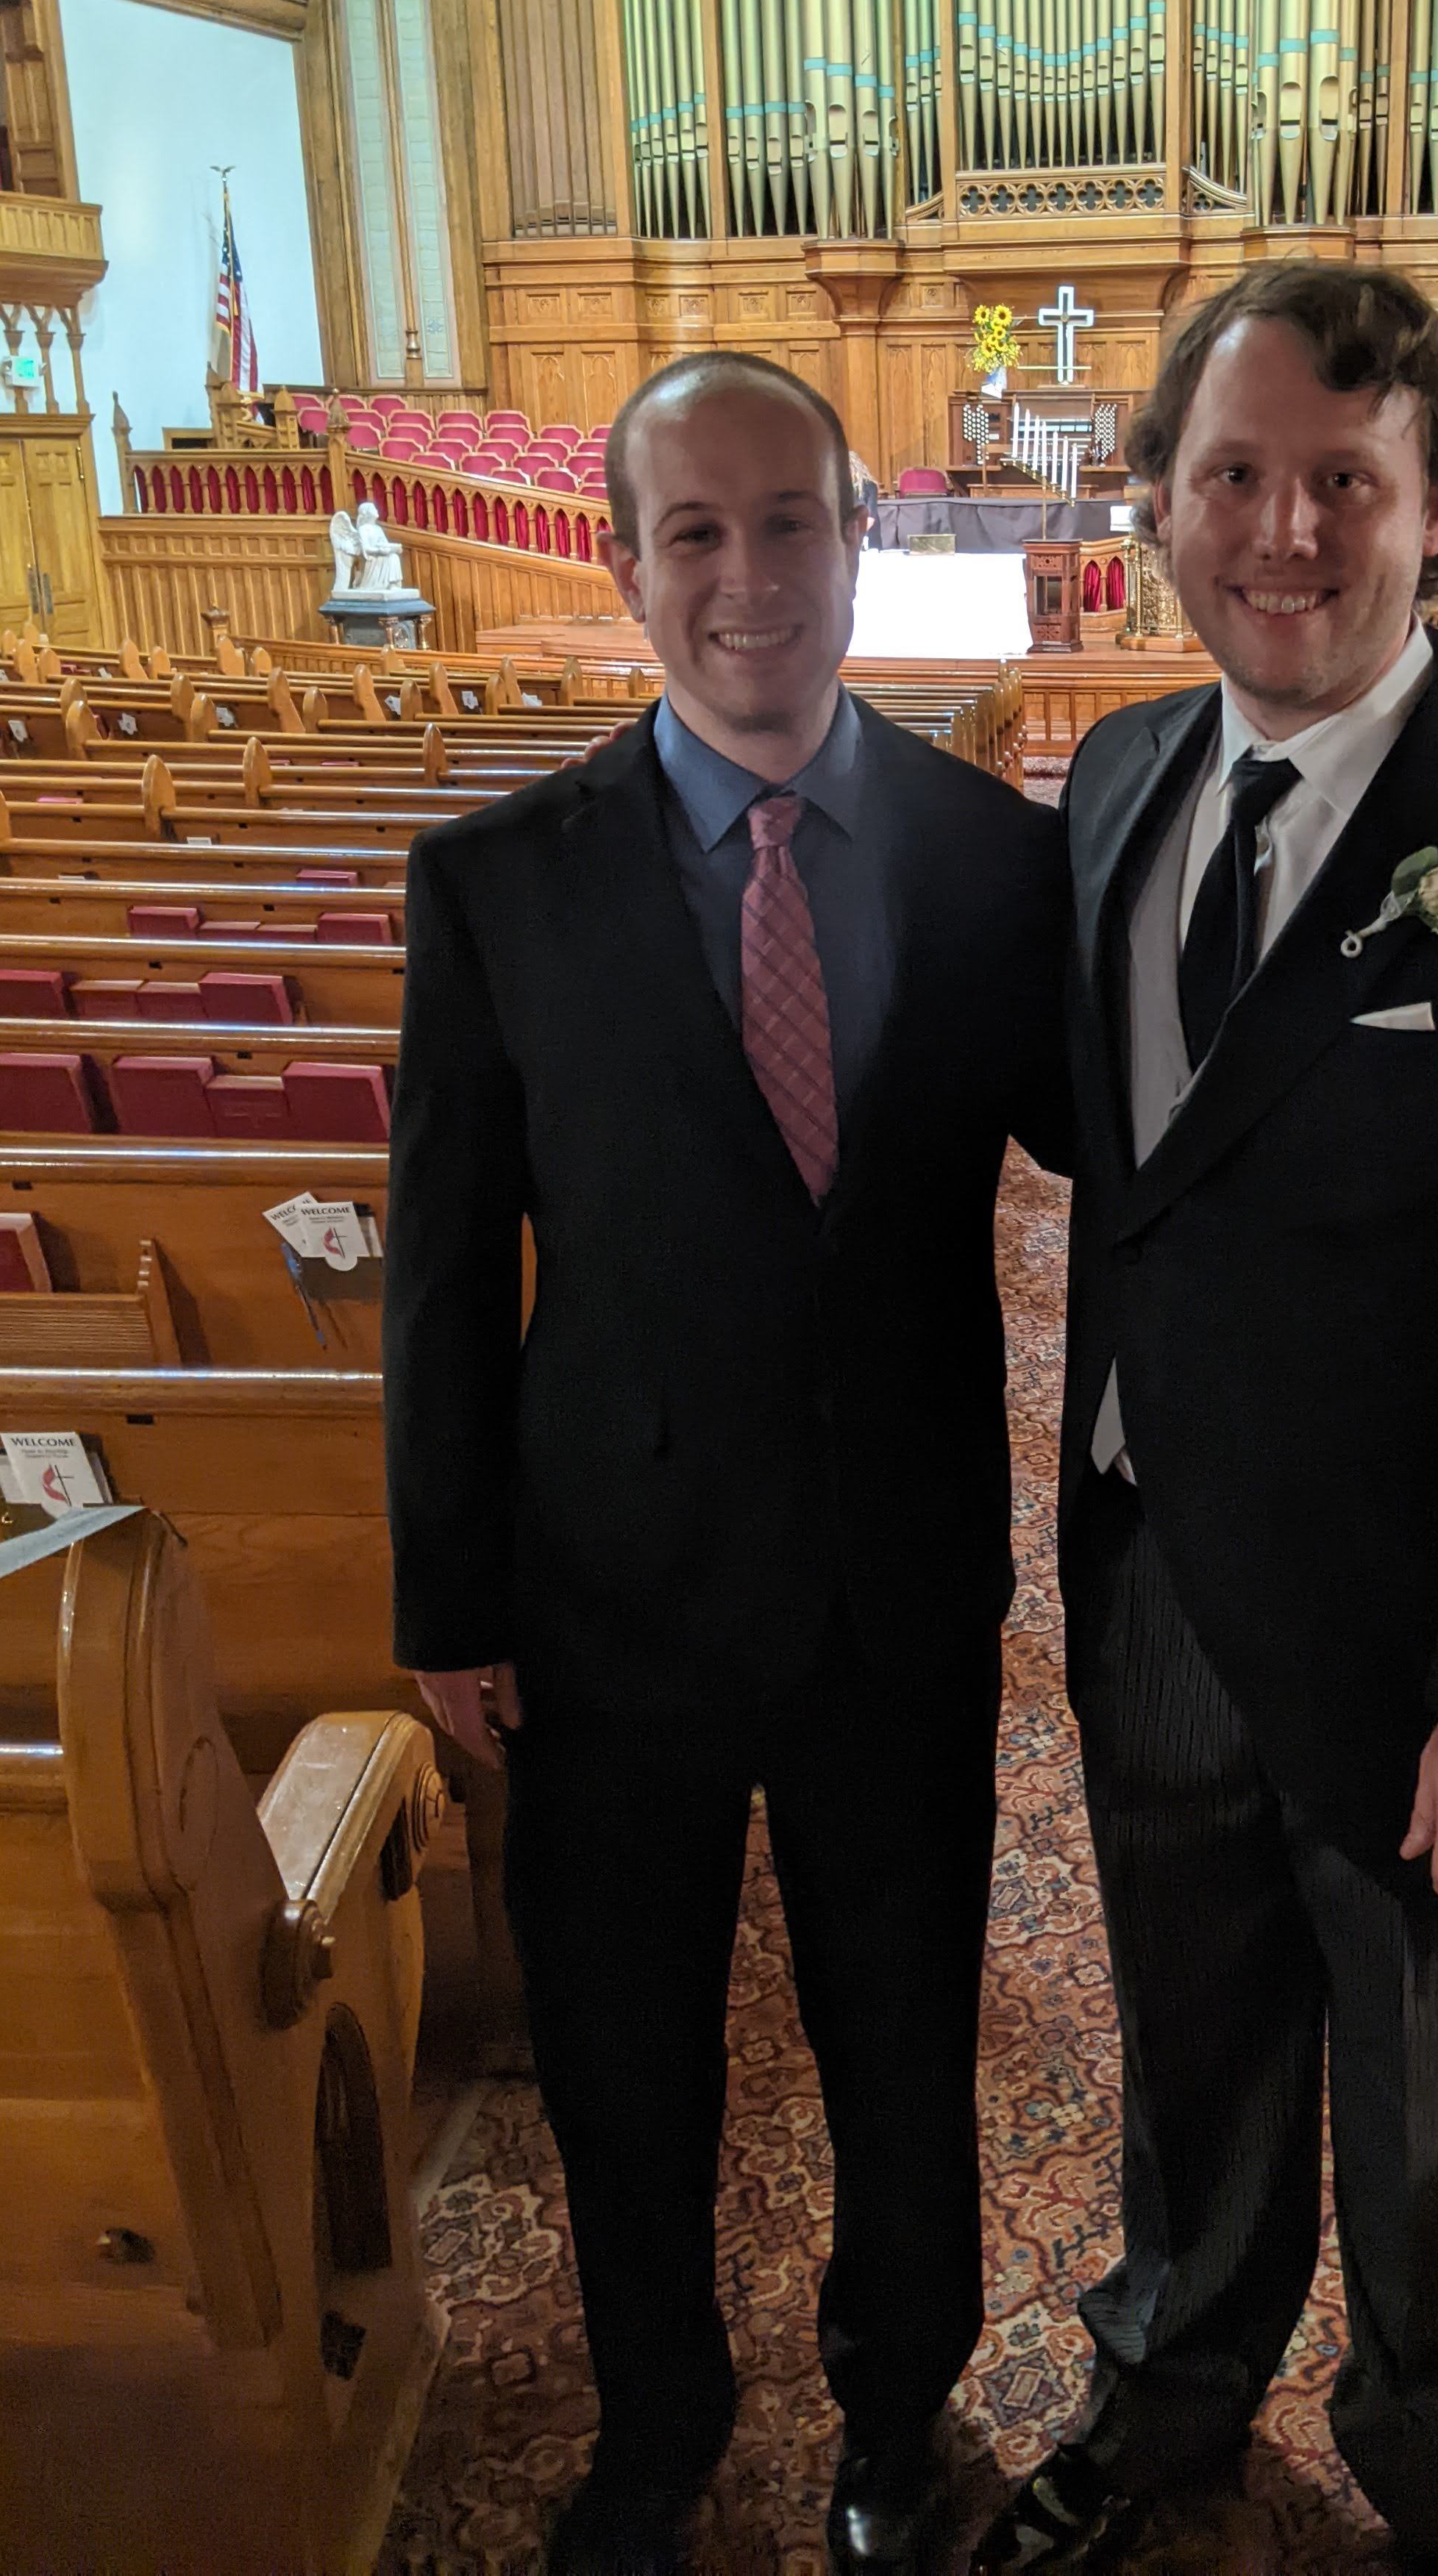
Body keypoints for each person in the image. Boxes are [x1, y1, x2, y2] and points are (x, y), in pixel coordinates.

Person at [976, 264, 1438, 2575]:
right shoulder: (1119, 779)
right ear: (1160, 504)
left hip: (1419, 1650)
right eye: (1234, 474)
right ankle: (1176, 2383)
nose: (1283, 531)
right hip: (1156, 1573)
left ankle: (1427, 2464)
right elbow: (1126, 1147)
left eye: (1343, 481)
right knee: (1190, 2037)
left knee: (1421, 2105)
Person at [385, 351, 1069, 2576]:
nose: (749, 575)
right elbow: (442, 1266)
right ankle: (658, 2429)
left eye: (791, 523)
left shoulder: (996, 859)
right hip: (610, 1587)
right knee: (626, 2052)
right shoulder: (495, 884)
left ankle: (899, 2417)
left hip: (899, 1573)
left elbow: (1135, 1159)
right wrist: (446, 1594)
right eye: (697, 529)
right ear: (625, 564)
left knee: (902, 2031)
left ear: (861, 543)